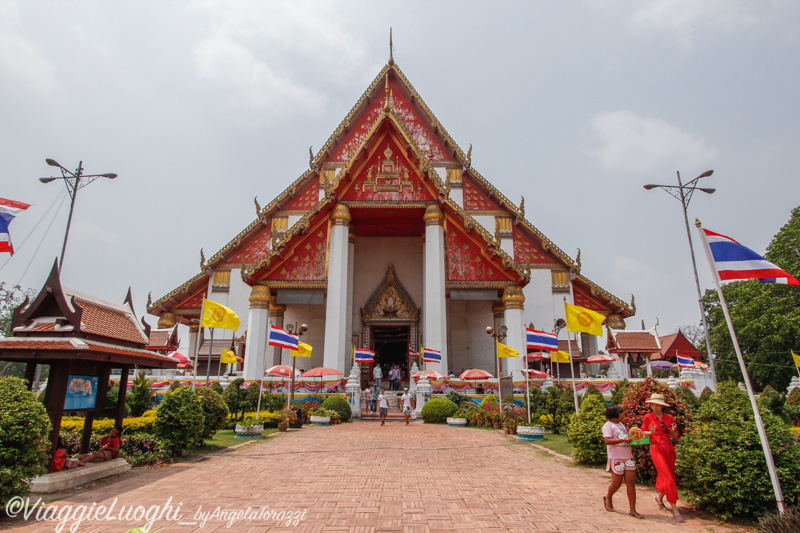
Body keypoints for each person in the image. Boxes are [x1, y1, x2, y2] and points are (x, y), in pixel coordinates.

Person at [642, 393, 683, 523]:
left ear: (662, 406)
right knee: (668, 478)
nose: (654, 407)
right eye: (652, 405)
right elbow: (643, 432)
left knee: (668, 475)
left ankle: (659, 498)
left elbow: (676, 437)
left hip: (669, 448)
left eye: (657, 405)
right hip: (656, 448)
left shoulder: (669, 418)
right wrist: (651, 433)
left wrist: (672, 432)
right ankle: (675, 508)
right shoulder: (648, 417)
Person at [601, 405, 641, 519]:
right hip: (616, 458)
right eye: (621, 413)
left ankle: (633, 510)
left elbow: (626, 438)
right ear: (614, 415)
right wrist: (623, 440)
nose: (623, 415)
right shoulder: (608, 426)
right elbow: (607, 441)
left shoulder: (622, 425)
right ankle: (608, 497)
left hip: (628, 457)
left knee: (631, 482)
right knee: (616, 483)